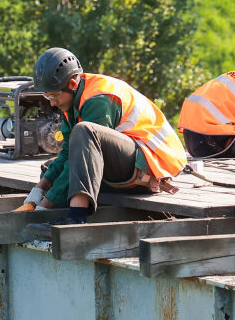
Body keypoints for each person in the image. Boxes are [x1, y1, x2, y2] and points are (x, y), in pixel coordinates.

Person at [15, 48, 187, 234]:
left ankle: (76, 217)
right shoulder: (71, 100)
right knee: (50, 170)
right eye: (47, 96)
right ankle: (72, 203)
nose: (52, 103)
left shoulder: (99, 99)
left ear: (72, 83)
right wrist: (39, 190)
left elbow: (84, 149)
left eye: (54, 95)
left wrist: (45, 207)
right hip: (125, 163)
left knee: (85, 131)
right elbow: (67, 154)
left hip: (149, 164)